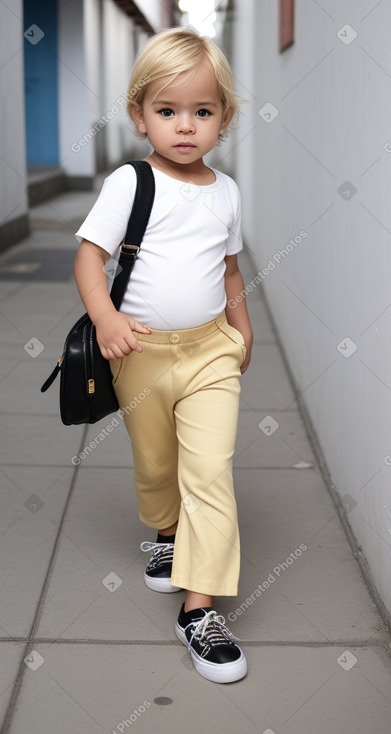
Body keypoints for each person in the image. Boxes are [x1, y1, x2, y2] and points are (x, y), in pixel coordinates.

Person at [73, 26, 253, 684]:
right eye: (166, 111)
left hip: (209, 352)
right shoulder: (129, 182)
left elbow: (229, 270)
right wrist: (106, 318)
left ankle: (199, 608)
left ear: (223, 119)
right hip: (141, 352)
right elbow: (89, 258)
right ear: (138, 114)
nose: (184, 127)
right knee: (156, 464)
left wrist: (241, 328)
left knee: (209, 470)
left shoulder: (226, 192)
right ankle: (166, 533)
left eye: (201, 112)